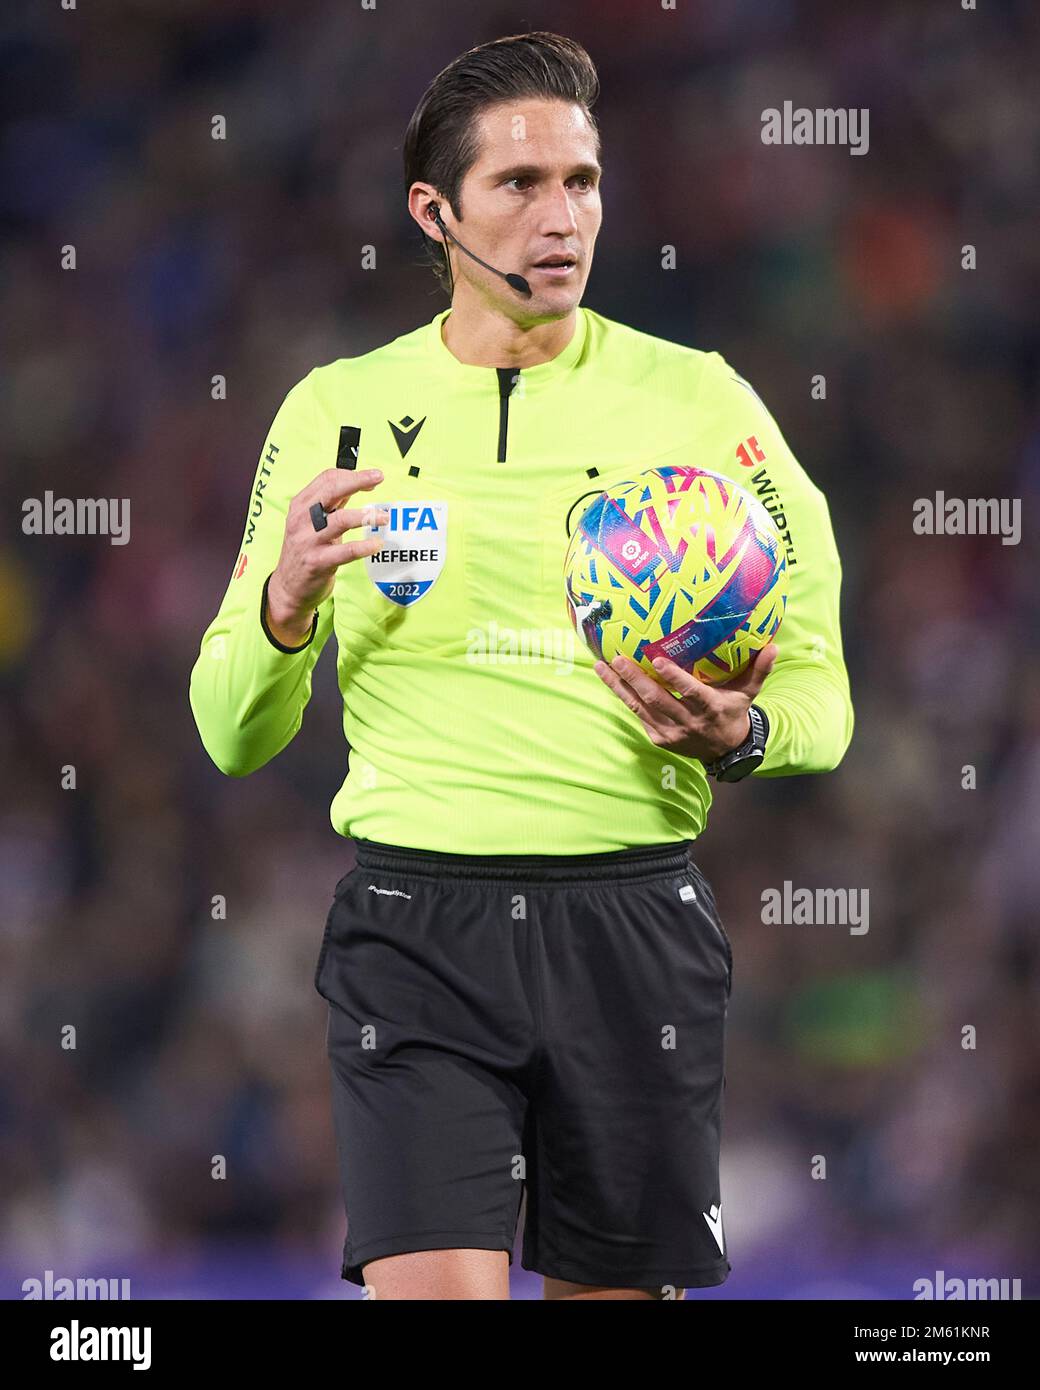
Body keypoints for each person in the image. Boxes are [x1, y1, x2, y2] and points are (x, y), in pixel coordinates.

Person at [188, 30, 853, 1301]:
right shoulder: (331, 411)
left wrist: (744, 736)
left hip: (632, 928)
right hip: (413, 931)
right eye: (520, 185)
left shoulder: (705, 407)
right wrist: (281, 604)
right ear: (434, 212)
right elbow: (229, 730)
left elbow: (820, 690)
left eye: (583, 182)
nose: (564, 218)